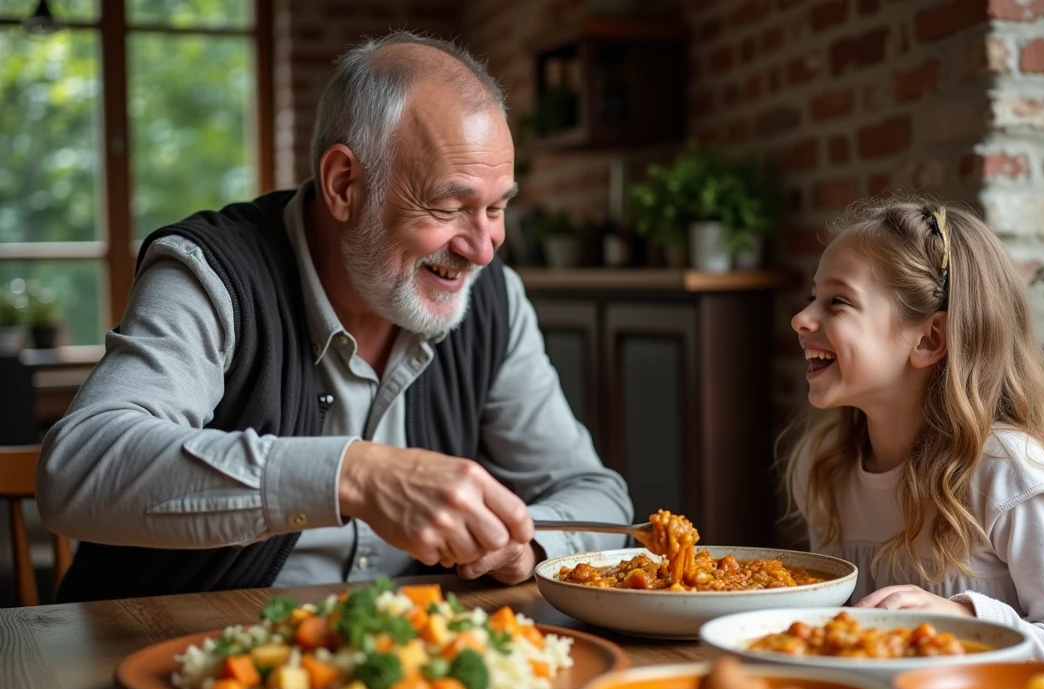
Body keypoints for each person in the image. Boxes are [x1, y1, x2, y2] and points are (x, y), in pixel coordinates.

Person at [37, 32, 633, 602]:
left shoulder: (495, 301)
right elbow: (80, 467)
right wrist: (357, 476)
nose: (482, 248)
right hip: (166, 658)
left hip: (402, 675)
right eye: (451, 207)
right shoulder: (210, 272)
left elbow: (597, 495)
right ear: (344, 184)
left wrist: (528, 545)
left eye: (498, 208)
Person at [785, 197, 1044, 669]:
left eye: (837, 302)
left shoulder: (1009, 472)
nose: (801, 319)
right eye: (812, 297)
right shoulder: (823, 465)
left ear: (929, 339)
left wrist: (962, 619)